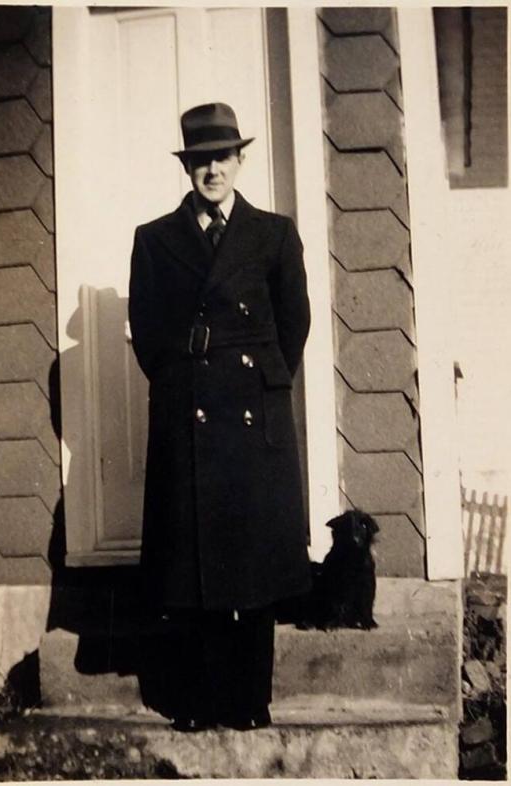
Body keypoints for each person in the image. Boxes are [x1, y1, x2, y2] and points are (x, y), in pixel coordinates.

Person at [129, 102, 311, 732]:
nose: (213, 170)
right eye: (201, 159)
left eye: (223, 157)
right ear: (188, 167)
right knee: (196, 568)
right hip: (191, 418)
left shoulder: (273, 233)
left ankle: (250, 700)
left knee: (254, 565)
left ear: (241, 160)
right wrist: (186, 387)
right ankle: (199, 701)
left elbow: (295, 324)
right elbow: (149, 336)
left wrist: (263, 383)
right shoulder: (154, 239)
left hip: (254, 421)